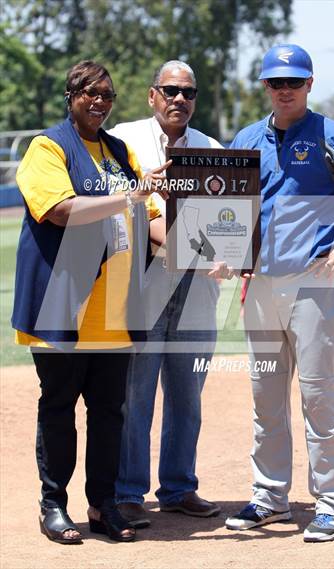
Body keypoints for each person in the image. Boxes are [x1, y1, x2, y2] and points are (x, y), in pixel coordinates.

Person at [224, 44, 334, 542]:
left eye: (293, 82)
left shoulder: (333, 135)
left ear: (309, 84)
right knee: (266, 399)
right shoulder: (245, 138)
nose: (284, 90)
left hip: (315, 283)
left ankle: (330, 503)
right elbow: (231, 209)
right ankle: (270, 498)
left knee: (319, 397)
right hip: (259, 284)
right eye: (275, 82)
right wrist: (224, 254)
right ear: (264, 86)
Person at [11, 60, 169, 544]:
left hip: (116, 313)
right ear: (71, 95)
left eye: (107, 95)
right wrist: (129, 198)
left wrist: (205, 254)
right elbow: (60, 210)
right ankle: (53, 505)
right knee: (58, 407)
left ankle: (102, 507)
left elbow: (155, 219)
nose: (99, 101)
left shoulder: (121, 153)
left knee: (108, 414)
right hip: (64, 306)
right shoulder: (48, 147)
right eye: (90, 93)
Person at [108, 60, 224, 528]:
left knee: (187, 392)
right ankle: (128, 492)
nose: (180, 99)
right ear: (152, 94)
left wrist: (232, 252)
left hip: (197, 286)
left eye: (189, 93)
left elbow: (229, 219)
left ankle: (178, 487)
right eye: (170, 90)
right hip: (144, 282)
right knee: (135, 392)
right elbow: (119, 207)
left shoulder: (212, 148)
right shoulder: (123, 140)